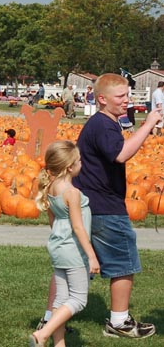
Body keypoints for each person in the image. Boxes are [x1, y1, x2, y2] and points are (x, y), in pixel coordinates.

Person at [72, 73, 162, 339]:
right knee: (124, 263)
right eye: (120, 97)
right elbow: (120, 154)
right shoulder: (102, 124)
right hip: (105, 207)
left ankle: (51, 318)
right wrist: (148, 125)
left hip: (92, 203)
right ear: (102, 99)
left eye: (128, 95)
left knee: (72, 265)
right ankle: (119, 322)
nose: (127, 101)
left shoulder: (105, 123)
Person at [28, 140, 99, 347]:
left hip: (58, 248)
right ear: (70, 167)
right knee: (78, 299)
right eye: (79, 160)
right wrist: (92, 255)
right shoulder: (72, 193)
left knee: (61, 299)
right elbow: (78, 227)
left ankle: (59, 344)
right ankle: (42, 334)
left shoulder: (50, 188)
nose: (81, 163)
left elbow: (53, 220)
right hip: (74, 251)